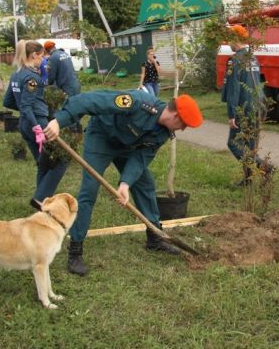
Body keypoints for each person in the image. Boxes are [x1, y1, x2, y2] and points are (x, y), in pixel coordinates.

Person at [43, 90, 203, 276]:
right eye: (183, 125)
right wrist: (58, 121)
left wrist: (125, 183)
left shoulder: (164, 133)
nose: (182, 129)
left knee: (145, 185)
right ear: (175, 116)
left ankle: (155, 238)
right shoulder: (137, 103)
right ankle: (75, 250)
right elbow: (90, 100)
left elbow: (142, 157)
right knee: (89, 190)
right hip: (101, 139)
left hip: (128, 149)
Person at [4, 41, 68, 210]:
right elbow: (25, 105)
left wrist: (27, 114)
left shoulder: (16, 75)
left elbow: (8, 101)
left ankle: (42, 203)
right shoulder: (32, 77)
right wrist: (36, 124)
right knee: (61, 160)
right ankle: (40, 199)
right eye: (41, 56)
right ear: (33, 55)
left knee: (43, 163)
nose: (43, 59)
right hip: (38, 124)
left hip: (24, 123)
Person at [221, 25, 273, 186]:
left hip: (244, 109)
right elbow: (258, 83)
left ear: (236, 39)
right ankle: (248, 179)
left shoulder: (235, 60)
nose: (228, 43)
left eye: (230, 38)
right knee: (250, 146)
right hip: (257, 106)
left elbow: (234, 89)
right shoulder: (252, 57)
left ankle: (264, 166)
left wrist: (232, 114)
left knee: (234, 143)